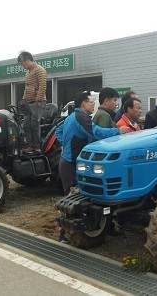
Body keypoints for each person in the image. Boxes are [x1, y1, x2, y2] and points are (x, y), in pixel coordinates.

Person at [55, 91, 128, 242]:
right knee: (73, 200)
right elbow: (96, 132)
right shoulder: (80, 117)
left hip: (68, 161)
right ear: (83, 104)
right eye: (91, 102)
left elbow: (58, 131)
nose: (93, 104)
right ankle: (64, 235)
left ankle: (105, 227)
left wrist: (65, 144)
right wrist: (118, 131)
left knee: (78, 199)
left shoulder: (71, 117)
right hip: (71, 164)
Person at [18, 51, 47, 154]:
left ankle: (36, 145)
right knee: (26, 124)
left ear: (28, 60)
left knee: (34, 123)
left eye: (22, 64)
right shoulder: (28, 72)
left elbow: (42, 85)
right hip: (28, 102)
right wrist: (23, 100)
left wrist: (39, 100)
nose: (22, 66)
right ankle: (29, 144)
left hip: (37, 102)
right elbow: (27, 87)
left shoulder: (39, 70)